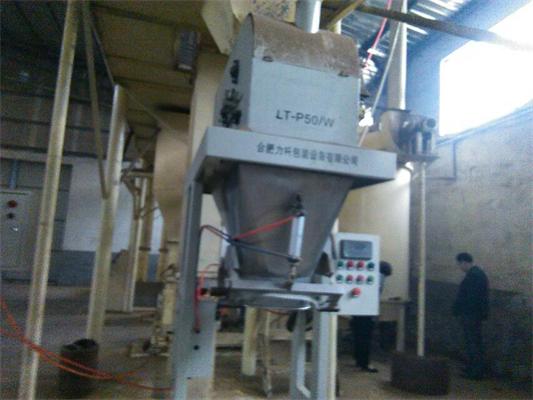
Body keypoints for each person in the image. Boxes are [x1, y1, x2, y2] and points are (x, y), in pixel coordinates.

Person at [452, 252, 489, 380]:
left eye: (459, 264)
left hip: (471, 314)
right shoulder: (477, 274)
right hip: (474, 313)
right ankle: (473, 367)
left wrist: (460, 309)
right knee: (473, 342)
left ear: (464, 262)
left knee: (472, 342)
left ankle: (475, 371)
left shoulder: (474, 275)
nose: (459, 267)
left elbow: (470, 297)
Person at [351, 261, 392, 373]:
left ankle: (358, 361)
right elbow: (375, 295)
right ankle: (364, 364)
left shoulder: (367, 275)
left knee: (358, 336)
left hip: (357, 310)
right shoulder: (380, 278)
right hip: (367, 312)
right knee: (365, 339)